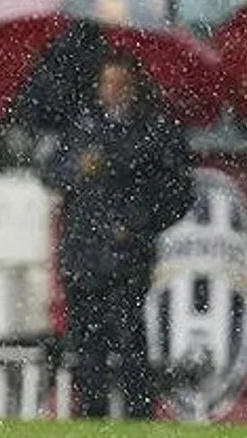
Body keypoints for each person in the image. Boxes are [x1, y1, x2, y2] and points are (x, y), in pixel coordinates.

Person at [40, 51, 192, 419]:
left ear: (135, 87)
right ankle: (92, 416)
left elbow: (178, 193)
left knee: (130, 340)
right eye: (108, 83)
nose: (113, 91)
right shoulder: (82, 126)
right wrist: (77, 169)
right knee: (87, 344)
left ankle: (137, 416)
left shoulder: (153, 130)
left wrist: (138, 226)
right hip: (83, 253)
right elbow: (50, 174)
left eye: (121, 83)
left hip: (127, 256)